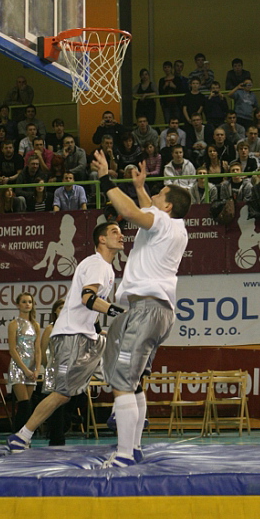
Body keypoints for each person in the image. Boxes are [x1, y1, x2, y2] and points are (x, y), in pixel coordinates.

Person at [91, 150, 190, 467]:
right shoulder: (177, 228)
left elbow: (131, 212)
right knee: (132, 382)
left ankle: (123, 455)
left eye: (160, 194)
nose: (154, 197)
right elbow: (148, 209)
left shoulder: (162, 222)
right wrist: (139, 187)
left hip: (147, 308)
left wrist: (106, 179)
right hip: (156, 311)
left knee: (121, 383)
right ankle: (132, 449)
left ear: (168, 206)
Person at [6, 222, 124, 452]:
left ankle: (119, 412)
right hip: (72, 337)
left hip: (88, 336)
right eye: (114, 232)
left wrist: (102, 330)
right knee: (62, 394)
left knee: (123, 363)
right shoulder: (96, 264)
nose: (121, 236)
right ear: (101, 239)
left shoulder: (107, 269)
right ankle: (22, 435)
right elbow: (88, 299)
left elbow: (90, 311)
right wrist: (119, 313)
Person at [7, 292, 41, 433]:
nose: (27, 304)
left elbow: (38, 350)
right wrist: (24, 369)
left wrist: (37, 369)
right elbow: (12, 349)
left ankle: (24, 436)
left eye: (29, 302)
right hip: (18, 367)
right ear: (18, 305)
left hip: (31, 368)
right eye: (24, 302)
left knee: (29, 406)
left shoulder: (35, 325)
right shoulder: (14, 324)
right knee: (24, 404)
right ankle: (17, 435)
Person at [39, 298, 68, 446]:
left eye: (65, 307)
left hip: (67, 369)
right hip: (54, 368)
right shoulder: (50, 328)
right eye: (60, 308)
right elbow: (42, 349)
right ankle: (56, 437)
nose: (63, 310)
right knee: (56, 404)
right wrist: (48, 366)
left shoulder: (70, 327)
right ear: (55, 311)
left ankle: (60, 432)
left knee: (66, 402)